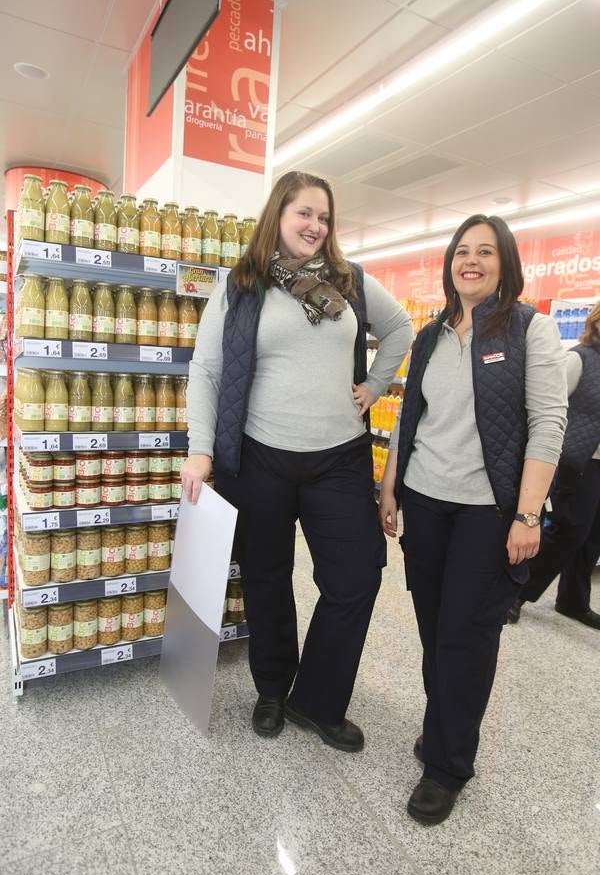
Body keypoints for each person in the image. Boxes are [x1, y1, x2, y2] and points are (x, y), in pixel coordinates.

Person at [181, 171, 413, 751]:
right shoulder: (242, 285)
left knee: (358, 575)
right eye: (304, 213)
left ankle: (318, 699)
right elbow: (207, 371)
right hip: (260, 456)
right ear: (278, 216)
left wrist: (375, 385)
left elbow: (402, 328)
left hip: (338, 458)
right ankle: (271, 689)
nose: (315, 226)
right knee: (266, 577)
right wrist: (201, 449)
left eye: (325, 217)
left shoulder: (350, 281)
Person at [379, 214, 567, 825]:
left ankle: (448, 764)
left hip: (490, 512)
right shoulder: (432, 334)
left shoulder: (528, 329)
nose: (472, 261)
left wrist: (528, 514)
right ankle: (444, 727)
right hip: (427, 502)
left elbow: (548, 424)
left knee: (468, 635)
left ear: (506, 263)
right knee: (435, 629)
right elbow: (411, 419)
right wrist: (390, 487)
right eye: (463, 251)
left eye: (486, 252)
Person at [509, 300, 600, 628]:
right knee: (567, 531)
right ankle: (517, 592)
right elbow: (545, 407)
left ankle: (573, 601)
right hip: (578, 462)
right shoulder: (579, 360)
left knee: (592, 537)